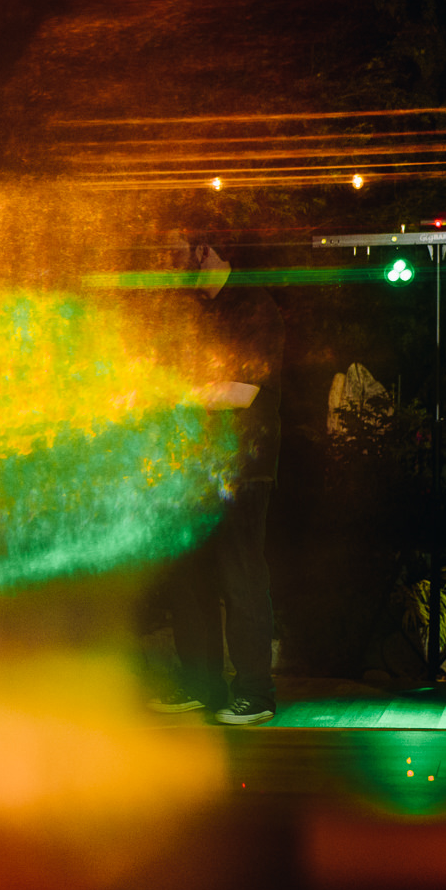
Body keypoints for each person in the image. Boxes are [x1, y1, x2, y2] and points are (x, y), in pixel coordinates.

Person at [146, 234, 282, 725]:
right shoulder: (191, 311)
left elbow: (241, 393)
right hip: (191, 467)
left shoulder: (253, 306)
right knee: (189, 579)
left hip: (242, 468)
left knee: (240, 578)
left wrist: (168, 392)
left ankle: (256, 693)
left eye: (173, 252)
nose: (164, 263)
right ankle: (201, 684)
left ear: (204, 251)